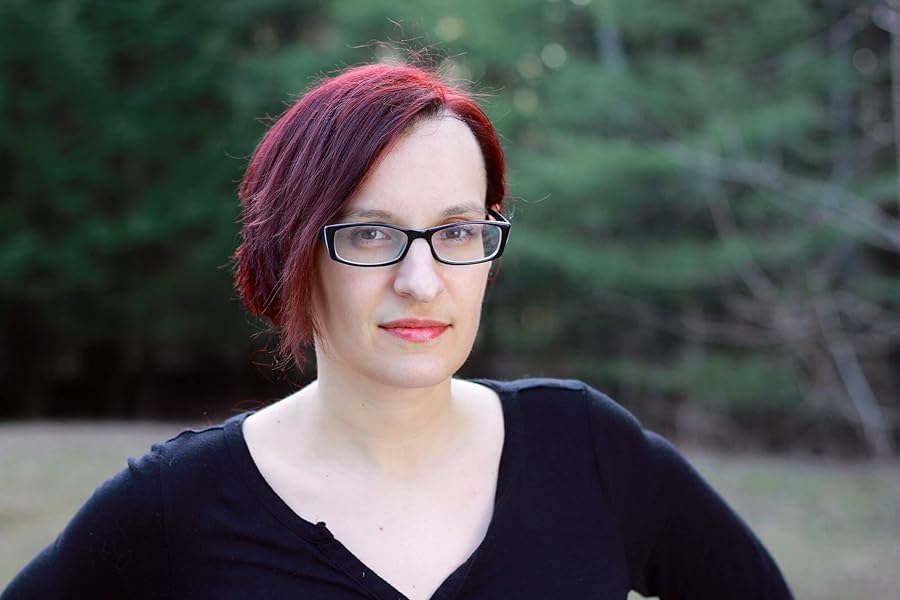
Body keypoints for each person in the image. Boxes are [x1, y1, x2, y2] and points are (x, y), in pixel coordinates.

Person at [2, 62, 793, 599]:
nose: (421, 280)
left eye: (457, 231)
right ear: (292, 252)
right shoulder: (179, 503)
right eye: (371, 233)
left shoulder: (587, 450)